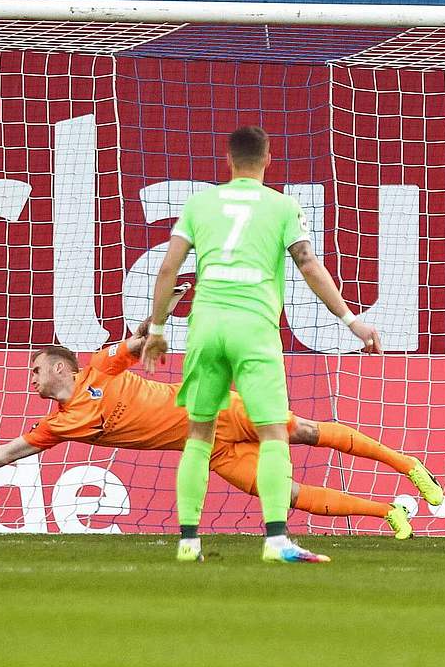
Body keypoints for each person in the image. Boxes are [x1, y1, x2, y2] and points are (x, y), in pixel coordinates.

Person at [0, 333, 442, 539]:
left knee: (300, 430)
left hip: (220, 413)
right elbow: (9, 450)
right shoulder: (58, 425)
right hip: (208, 449)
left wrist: (152, 328)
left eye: (36, 370)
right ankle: (388, 513)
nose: (31, 379)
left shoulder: (99, 367)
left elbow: (136, 343)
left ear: (63, 368)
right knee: (287, 496)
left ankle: (409, 466)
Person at [142, 125, 382, 564]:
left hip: (206, 325)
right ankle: (275, 540)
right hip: (253, 328)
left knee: (199, 433)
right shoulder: (282, 205)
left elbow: (168, 269)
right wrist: (351, 320)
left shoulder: (200, 203)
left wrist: (157, 330)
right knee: (273, 433)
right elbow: (308, 264)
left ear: (228, 159)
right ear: (268, 158)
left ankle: (188, 542)